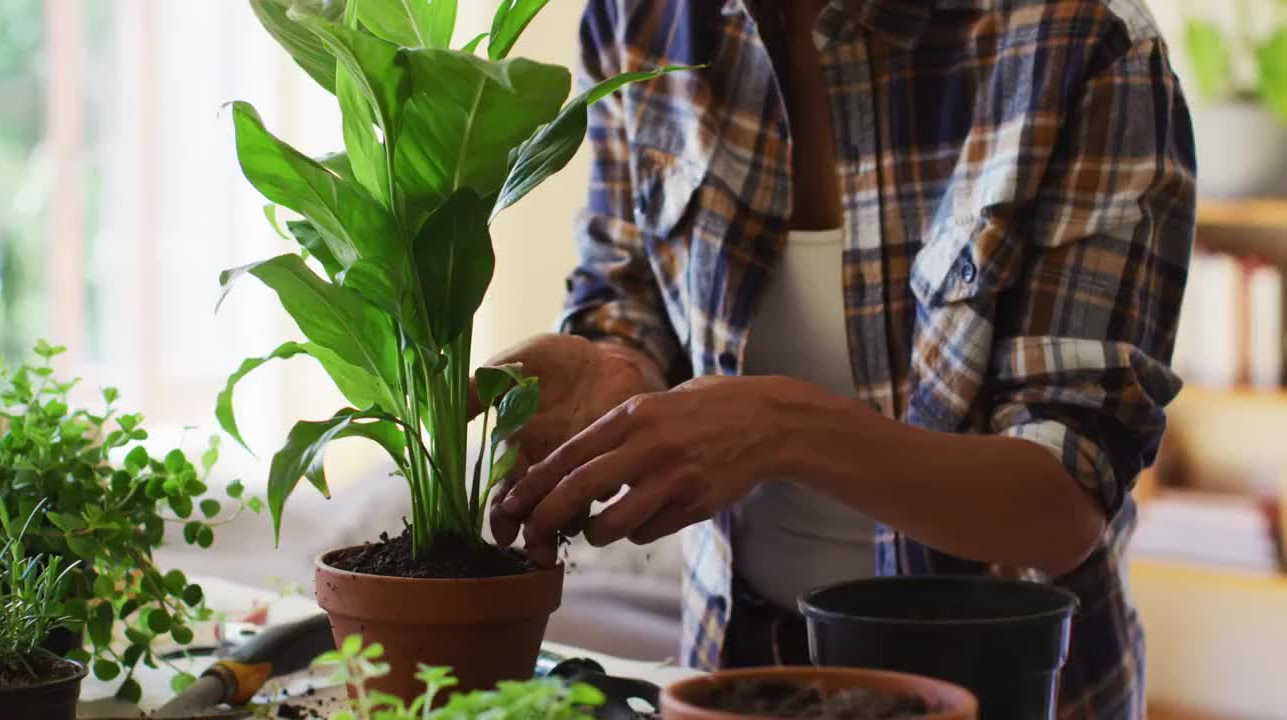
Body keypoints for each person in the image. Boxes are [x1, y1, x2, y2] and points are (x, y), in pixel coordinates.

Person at [479, 0, 1195, 717]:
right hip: (735, 675)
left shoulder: (1082, 41)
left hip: (1001, 685)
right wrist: (620, 365)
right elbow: (628, 287)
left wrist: (785, 429)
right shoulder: (637, 19)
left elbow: (1062, 502)